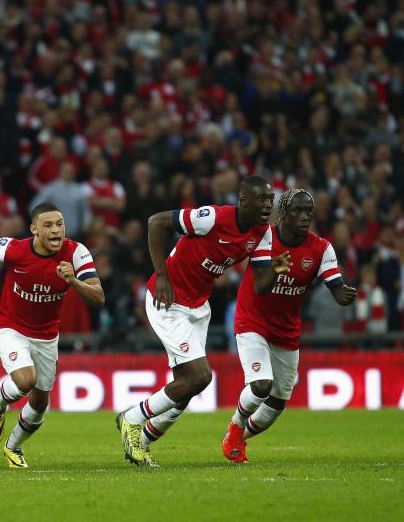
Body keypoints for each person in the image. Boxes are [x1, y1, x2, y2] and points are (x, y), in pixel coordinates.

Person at [117, 176, 286, 467]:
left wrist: (277, 270)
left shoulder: (262, 234)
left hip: (198, 306)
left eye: (270, 201)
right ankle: (131, 418)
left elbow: (260, 284)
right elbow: (156, 222)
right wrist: (162, 277)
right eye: (261, 200)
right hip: (167, 302)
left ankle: (141, 443)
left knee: (187, 387)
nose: (267, 206)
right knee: (199, 377)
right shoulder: (212, 217)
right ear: (243, 201)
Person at [222, 189, 356, 463]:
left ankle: (238, 439)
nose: (305, 217)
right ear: (283, 213)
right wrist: (275, 269)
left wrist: (343, 294)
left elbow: (336, 285)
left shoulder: (320, 248)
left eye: (309, 211)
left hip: (286, 331)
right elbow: (258, 285)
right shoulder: (263, 237)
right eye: (298, 211)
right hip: (252, 322)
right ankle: (235, 428)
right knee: (260, 385)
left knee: (278, 402)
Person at [0, 203, 105, 468]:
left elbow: (98, 297)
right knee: (25, 380)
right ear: (34, 229)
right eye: (48, 225)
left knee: (40, 401)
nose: (56, 230)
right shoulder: (15, 249)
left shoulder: (76, 252)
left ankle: (14, 447)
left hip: (46, 334)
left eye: (59, 224)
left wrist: (74, 282)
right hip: (10, 325)